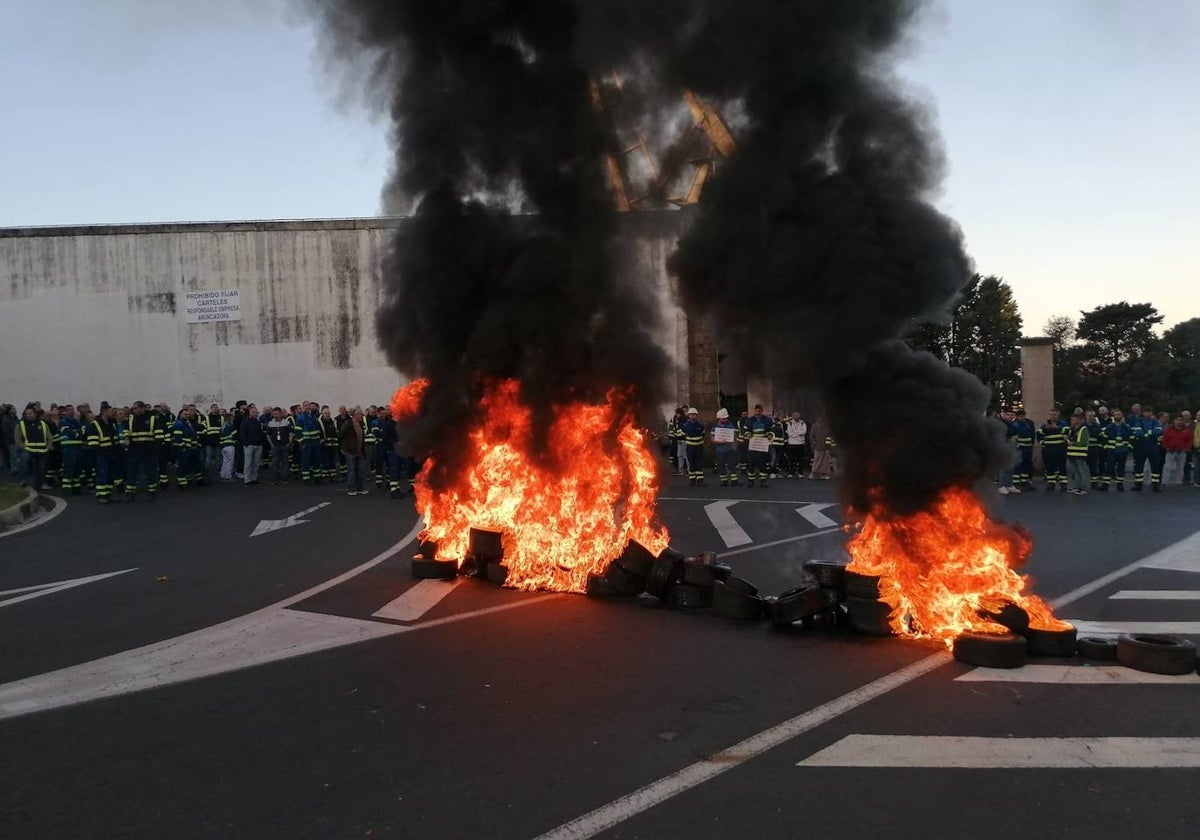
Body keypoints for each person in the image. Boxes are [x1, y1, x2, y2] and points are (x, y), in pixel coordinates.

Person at [124, 401, 162, 501]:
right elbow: (126, 430)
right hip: (134, 449)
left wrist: (156, 450)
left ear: (142, 408)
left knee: (150, 472)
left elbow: (158, 435)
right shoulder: (131, 418)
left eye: (136, 408)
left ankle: (151, 491)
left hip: (148, 450)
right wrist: (126, 437)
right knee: (131, 471)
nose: (133, 410)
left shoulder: (153, 418)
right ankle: (130, 492)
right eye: (133, 408)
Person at [15, 403, 53, 494]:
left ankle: (38, 487)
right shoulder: (20, 424)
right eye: (26, 413)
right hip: (28, 450)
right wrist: (23, 447)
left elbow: (49, 437)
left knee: (41, 469)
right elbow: (17, 438)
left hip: (42, 451)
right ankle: (22, 480)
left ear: (35, 414)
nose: (28, 415)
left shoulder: (43, 424)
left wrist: (48, 447)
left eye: (30, 413)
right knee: (23, 462)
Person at [86, 403, 119, 503]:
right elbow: (93, 443)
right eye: (110, 411)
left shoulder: (111, 423)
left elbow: (115, 439)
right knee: (102, 474)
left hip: (112, 454)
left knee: (110, 475)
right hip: (102, 455)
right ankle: (101, 495)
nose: (112, 413)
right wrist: (103, 453)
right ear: (104, 411)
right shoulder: (95, 424)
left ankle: (109, 493)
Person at [1100, 408, 1132, 491]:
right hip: (1112, 451)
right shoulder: (1109, 427)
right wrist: (1106, 447)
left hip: (1123, 451)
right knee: (1109, 468)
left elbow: (1131, 438)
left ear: (1122, 416)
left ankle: (1120, 484)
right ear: (1113, 416)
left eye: (1119, 414)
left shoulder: (1127, 427)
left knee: (1121, 468)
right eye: (1115, 415)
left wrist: (1128, 448)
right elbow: (1104, 438)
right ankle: (1105, 485)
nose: (1117, 416)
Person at [338, 406, 369, 494]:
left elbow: (361, 437)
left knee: (360, 470)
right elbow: (340, 435)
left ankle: (360, 488)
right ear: (355, 415)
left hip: (359, 451)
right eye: (360, 414)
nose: (361, 416)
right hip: (350, 451)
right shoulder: (348, 423)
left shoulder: (360, 424)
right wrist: (344, 447)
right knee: (351, 470)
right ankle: (351, 488)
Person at [1036, 409, 1067, 491]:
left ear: (1058, 415)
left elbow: (1067, 431)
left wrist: (1057, 428)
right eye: (1051, 415)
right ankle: (1051, 483)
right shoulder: (1044, 425)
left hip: (1060, 448)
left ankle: (1063, 484)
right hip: (1048, 449)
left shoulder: (1063, 424)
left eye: (1055, 414)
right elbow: (1039, 434)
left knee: (1062, 466)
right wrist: (1043, 442)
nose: (1053, 416)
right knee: (1049, 466)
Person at [57, 404, 84, 495]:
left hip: (78, 448)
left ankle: (76, 487)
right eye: (68, 409)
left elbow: (83, 431)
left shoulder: (76, 422)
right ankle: (67, 487)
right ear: (65, 412)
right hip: (68, 448)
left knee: (77, 468)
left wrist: (77, 432)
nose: (71, 411)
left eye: (72, 409)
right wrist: (77, 433)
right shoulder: (63, 422)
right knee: (68, 467)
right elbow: (68, 433)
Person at [744, 404, 773, 488]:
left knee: (762, 463)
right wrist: (748, 435)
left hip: (762, 445)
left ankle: (763, 481)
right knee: (751, 463)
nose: (758, 413)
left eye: (759, 411)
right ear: (754, 411)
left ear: (762, 411)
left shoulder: (766, 420)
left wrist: (769, 435)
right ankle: (751, 481)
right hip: (753, 444)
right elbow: (746, 430)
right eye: (756, 411)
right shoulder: (750, 420)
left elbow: (770, 430)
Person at [710, 408, 739, 487]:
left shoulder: (730, 424)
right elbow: (712, 439)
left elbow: (734, 436)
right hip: (720, 449)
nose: (725, 419)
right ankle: (724, 481)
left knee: (732, 465)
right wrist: (721, 441)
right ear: (719, 418)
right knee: (721, 465)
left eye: (726, 418)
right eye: (724, 418)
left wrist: (734, 446)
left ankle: (734, 481)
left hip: (729, 449)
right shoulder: (715, 426)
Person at [1064, 411, 1090, 495]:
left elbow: (1084, 442)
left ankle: (1084, 488)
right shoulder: (1071, 429)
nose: (1072, 421)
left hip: (1080, 454)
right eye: (1071, 420)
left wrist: (1073, 443)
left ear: (1079, 420)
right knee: (1075, 472)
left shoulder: (1084, 429)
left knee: (1082, 471)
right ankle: (1077, 487)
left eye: (1073, 420)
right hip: (1071, 454)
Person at [1010, 409, 1036, 491]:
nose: (1023, 418)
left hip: (1028, 448)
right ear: (1017, 417)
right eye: (1021, 416)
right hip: (1020, 448)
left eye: (1024, 416)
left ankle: (1025, 483)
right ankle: (1017, 483)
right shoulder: (1015, 425)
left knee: (1026, 465)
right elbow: (1014, 437)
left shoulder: (1027, 424)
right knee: (1018, 465)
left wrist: (1031, 443)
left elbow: (1031, 434)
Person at [1162, 416, 1192, 486]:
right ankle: (1164, 481)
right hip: (1170, 451)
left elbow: (1190, 440)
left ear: (1183, 421)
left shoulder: (1187, 430)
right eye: (1177, 420)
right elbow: (1164, 439)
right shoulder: (1168, 429)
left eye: (1180, 420)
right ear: (1174, 421)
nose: (1179, 422)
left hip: (1181, 451)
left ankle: (1179, 481)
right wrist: (1166, 448)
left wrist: (1186, 448)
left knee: (1180, 467)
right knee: (1167, 467)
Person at [266, 407, 293, 483]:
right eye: (274, 414)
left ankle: (284, 478)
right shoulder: (270, 423)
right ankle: (275, 478)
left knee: (285, 463)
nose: (275, 415)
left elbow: (290, 433)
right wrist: (271, 444)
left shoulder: (286, 422)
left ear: (280, 414)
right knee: (274, 463)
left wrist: (289, 443)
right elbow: (268, 435)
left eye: (277, 413)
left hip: (284, 445)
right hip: (275, 446)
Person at [681, 407, 706, 486]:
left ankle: (700, 480)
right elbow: (681, 435)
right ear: (689, 416)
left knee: (699, 463)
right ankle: (692, 480)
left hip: (699, 447)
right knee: (691, 463)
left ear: (696, 415)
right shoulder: (685, 426)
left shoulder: (700, 425)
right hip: (690, 447)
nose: (693, 416)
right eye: (691, 415)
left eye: (694, 415)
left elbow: (703, 434)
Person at [1084, 409, 1104, 491]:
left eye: (1092, 416)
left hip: (1094, 448)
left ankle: (1094, 483)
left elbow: (1098, 435)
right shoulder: (1082, 425)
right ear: (1086, 416)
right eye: (1089, 416)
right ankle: (1082, 483)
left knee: (1094, 466)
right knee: (1082, 466)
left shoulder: (1097, 425)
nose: (1091, 417)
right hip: (1084, 449)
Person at [319, 405, 339, 482]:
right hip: (324, 446)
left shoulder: (332, 421)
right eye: (326, 413)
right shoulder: (319, 422)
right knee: (324, 461)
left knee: (332, 461)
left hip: (333, 446)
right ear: (322, 413)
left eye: (328, 413)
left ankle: (333, 476)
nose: (327, 414)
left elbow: (335, 433)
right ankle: (325, 476)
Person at [785, 411, 808, 479]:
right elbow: (789, 433)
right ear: (792, 416)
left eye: (797, 415)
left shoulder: (803, 423)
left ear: (799, 416)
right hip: (792, 443)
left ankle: (800, 473)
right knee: (791, 459)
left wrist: (795, 433)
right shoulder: (790, 423)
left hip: (800, 443)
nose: (796, 417)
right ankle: (791, 472)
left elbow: (804, 431)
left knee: (800, 459)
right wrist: (797, 434)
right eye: (795, 415)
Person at [219, 412, 238, 480]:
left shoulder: (222, 426)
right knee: (230, 461)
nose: (233, 419)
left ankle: (223, 474)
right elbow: (234, 434)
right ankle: (229, 476)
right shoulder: (230, 426)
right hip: (230, 445)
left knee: (225, 461)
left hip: (223, 446)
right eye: (232, 418)